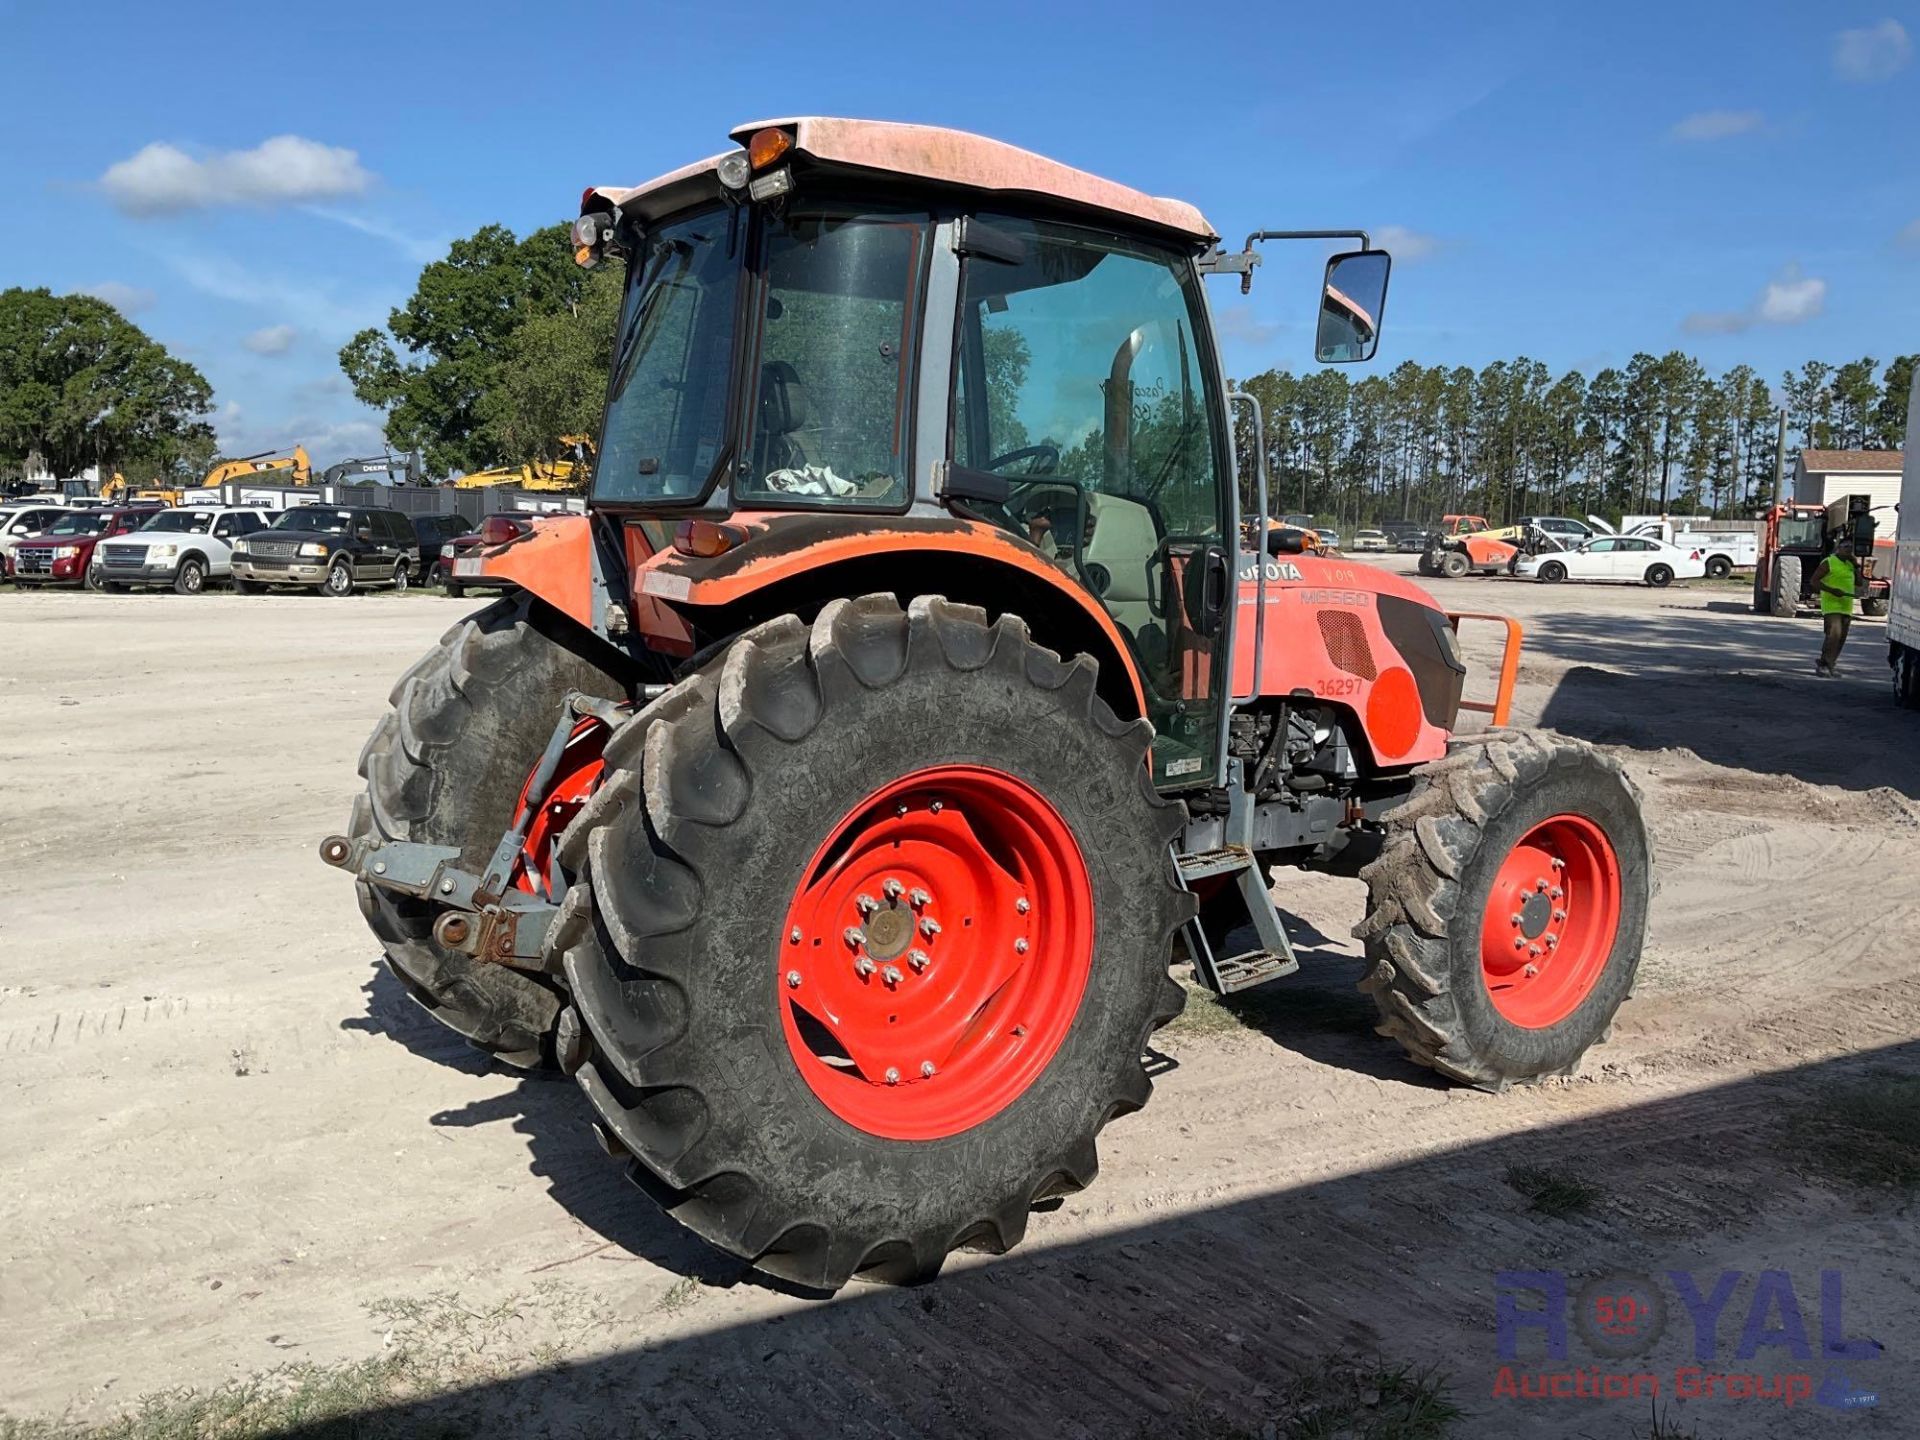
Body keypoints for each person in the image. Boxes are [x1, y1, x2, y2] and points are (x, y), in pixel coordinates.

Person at [1811, 537, 1862, 677]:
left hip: (1846, 606)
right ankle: (1823, 666)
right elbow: (1814, 581)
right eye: (1845, 547)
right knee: (1834, 634)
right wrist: (1832, 590)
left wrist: (1856, 566)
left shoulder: (1850, 565)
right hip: (1831, 605)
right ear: (1838, 548)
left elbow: (1859, 583)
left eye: (1850, 548)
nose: (1848, 550)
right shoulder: (1829, 562)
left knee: (1841, 638)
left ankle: (1830, 663)